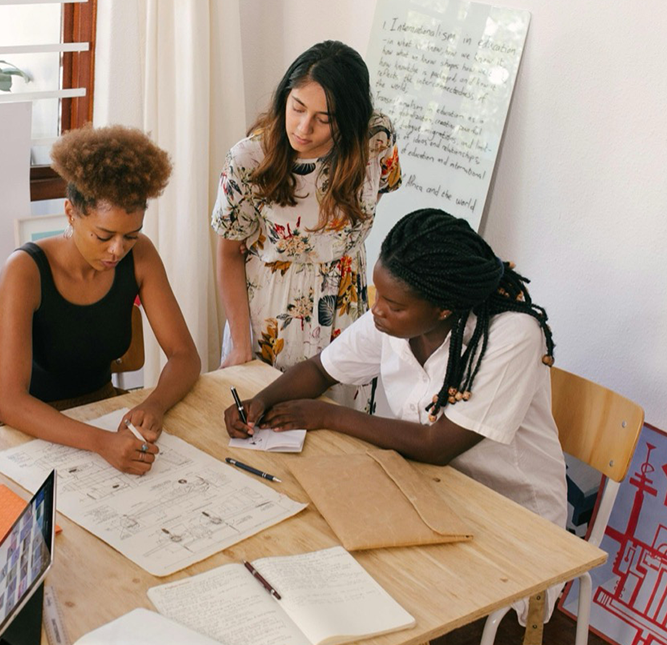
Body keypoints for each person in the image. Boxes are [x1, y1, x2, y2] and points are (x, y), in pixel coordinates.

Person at [225, 208, 566, 621]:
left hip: (510, 516)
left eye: (394, 304)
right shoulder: (393, 321)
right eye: (378, 295)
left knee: (374, 591)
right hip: (430, 488)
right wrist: (259, 402)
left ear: (443, 309)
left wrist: (328, 416)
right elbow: (319, 370)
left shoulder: (510, 336)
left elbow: (437, 444)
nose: (378, 310)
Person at [0, 125, 201, 475]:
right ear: (71, 213)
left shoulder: (140, 256)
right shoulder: (24, 270)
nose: (117, 250)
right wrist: (101, 442)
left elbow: (185, 356)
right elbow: (10, 403)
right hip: (30, 429)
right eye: (104, 236)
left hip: (102, 413)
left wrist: (155, 404)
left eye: (130, 236)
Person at [213, 40, 402, 409]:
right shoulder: (249, 159)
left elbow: (373, 199)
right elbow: (227, 253)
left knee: (340, 438)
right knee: (263, 429)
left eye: (324, 118)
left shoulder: (375, 140)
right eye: (297, 107)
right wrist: (239, 343)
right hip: (270, 318)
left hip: (345, 314)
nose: (303, 127)